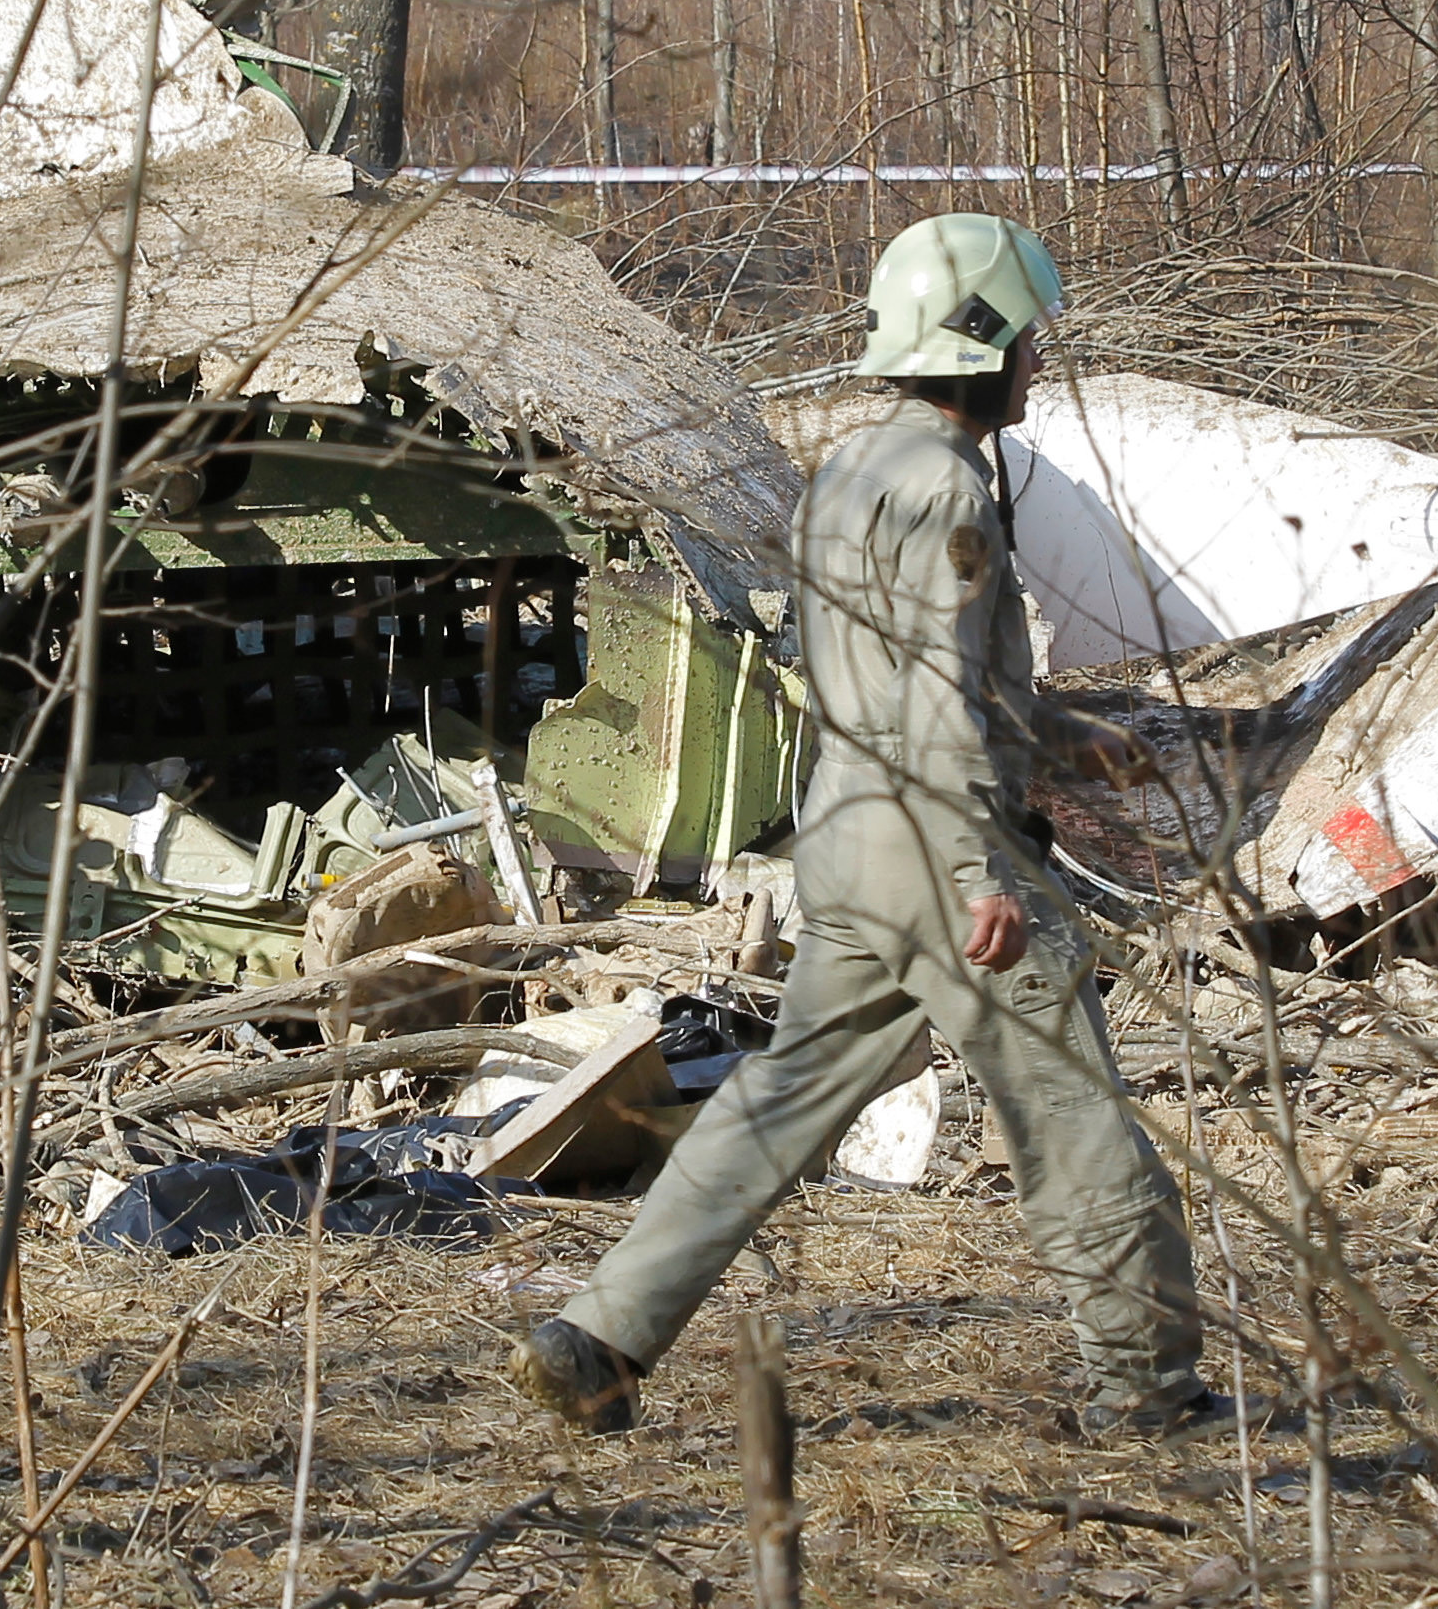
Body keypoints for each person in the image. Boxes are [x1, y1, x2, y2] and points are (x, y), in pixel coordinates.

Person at [503, 213, 1222, 1438]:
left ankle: (598, 1333)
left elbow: (887, 672)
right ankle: (1147, 1391)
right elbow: (936, 688)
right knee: (1075, 1120)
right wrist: (974, 868)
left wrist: (1055, 737)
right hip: (939, 850)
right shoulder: (951, 488)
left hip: (845, 840)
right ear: (979, 338)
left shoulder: (850, 469)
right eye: (1028, 334)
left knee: (779, 1100)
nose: (1040, 357)